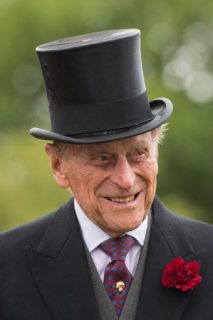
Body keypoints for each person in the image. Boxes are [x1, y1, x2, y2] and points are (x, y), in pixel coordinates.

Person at [0, 29, 212, 320]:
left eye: (138, 153)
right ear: (58, 166)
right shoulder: (6, 264)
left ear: (156, 151)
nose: (125, 180)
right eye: (102, 158)